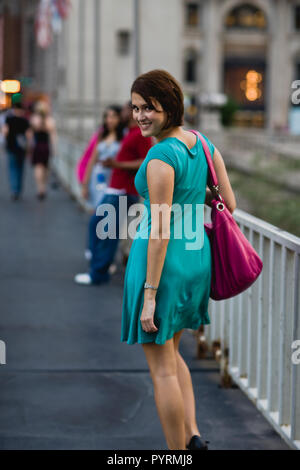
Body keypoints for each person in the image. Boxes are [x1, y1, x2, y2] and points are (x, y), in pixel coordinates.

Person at [120, 69, 237, 450]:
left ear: (169, 106)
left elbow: (159, 230)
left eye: (148, 108)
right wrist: (192, 195)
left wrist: (149, 295)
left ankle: (176, 454)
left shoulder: (159, 156)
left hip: (163, 265)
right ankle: (193, 436)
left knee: (161, 370)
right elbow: (228, 205)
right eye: (135, 108)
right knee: (172, 353)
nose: (139, 116)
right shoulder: (203, 144)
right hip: (195, 261)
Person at [74, 101, 152, 285]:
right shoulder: (129, 133)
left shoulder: (141, 135)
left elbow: (146, 161)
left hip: (124, 191)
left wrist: (117, 165)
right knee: (98, 226)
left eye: (129, 109)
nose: (125, 112)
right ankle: (97, 267)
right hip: (115, 189)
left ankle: (98, 273)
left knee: (106, 233)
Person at [81, 105, 124, 210]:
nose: (109, 120)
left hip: (112, 179)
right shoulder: (102, 134)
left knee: (108, 212)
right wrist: (85, 184)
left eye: (113, 116)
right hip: (97, 178)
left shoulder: (124, 136)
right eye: (107, 117)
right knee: (96, 210)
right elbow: (92, 160)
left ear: (120, 118)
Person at [2, 102, 31, 201]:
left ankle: (14, 190)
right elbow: (28, 135)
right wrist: (28, 146)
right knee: (20, 168)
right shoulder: (25, 121)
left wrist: (6, 139)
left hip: (11, 146)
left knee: (12, 168)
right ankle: (18, 189)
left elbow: (5, 132)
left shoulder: (9, 119)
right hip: (21, 148)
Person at [29, 100, 57, 200]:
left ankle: (39, 188)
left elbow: (30, 135)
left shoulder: (34, 119)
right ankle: (43, 188)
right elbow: (53, 136)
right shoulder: (50, 120)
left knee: (38, 167)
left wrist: (29, 147)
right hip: (45, 146)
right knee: (45, 168)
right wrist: (54, 148)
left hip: (37, 146)